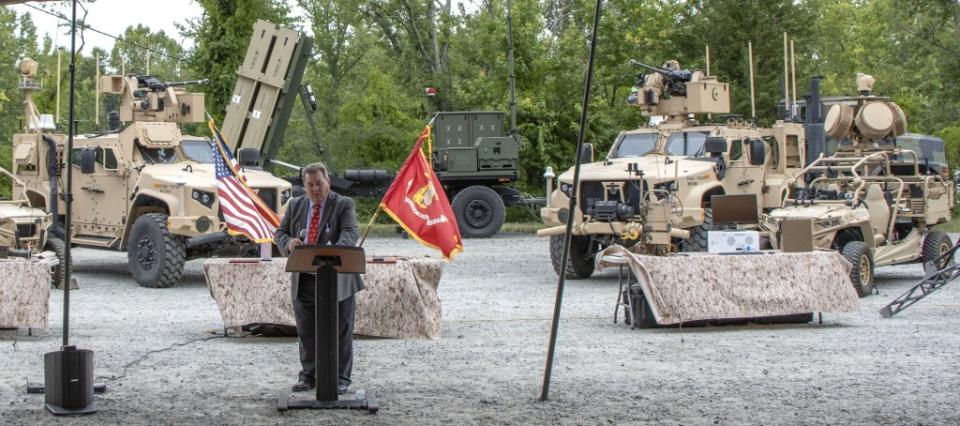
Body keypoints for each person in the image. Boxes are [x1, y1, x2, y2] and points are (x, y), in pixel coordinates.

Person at [274, 162, 364, 394]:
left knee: (341, 330)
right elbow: (280, 233)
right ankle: (309, 375)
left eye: (319, 184)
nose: (315, 189)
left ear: (328, 182)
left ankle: (341, 377)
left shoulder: (343, 204)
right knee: (306, 331)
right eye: (310, 185)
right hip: (303, 279)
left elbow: (350, 233)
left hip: (337, 279)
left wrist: (331, 253)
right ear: (304, 186)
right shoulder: (295, 206)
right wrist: (288, 243)